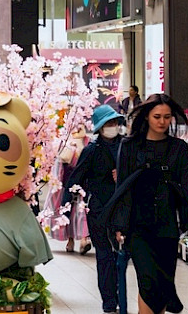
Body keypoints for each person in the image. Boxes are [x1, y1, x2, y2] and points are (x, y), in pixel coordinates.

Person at [110, 94, 188, 314]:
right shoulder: (130, 146)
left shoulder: (178, 148)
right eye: (157, 116)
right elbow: (123, 188)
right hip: (138, 227)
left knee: (161, 284)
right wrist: (118, 224)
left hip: (167, 226)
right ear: (147, 117)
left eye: (167, 117)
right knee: (148, 282)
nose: (162, 122)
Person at [61, 105, 124, 314]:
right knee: (104, 254)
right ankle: (109, 300)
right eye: (108, 124)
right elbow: (75, 178)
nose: (112, 127)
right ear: (100, 128)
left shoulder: (127, 147)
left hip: (124, 208)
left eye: (115, 123)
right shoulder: (91, 150)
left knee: (122, 255)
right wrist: (66, 205)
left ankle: (119, 294)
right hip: (98, 208)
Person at [46, 125, 90, 253]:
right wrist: (56, 183)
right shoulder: (64, 141)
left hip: (83, 183)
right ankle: (70, 240)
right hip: (67, 182)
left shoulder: (88, 141)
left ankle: (84, 240)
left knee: (82, 212)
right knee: (68, 211)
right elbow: (58, 163)